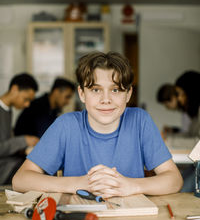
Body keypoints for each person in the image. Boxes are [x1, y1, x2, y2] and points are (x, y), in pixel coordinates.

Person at [12, 52, 183, 196]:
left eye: (115, 90)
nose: (106, 100)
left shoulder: (140, 121)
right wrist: (79, 183)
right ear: (82, 93)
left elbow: (174, 179)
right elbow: (20, 180)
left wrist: (131, 186)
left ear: (128, 94)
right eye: (95, 90)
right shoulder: (66, 125)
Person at [0, 73, 39, 185]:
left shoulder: (7, 110)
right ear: (14, 89)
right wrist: (24, 140)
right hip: (4, 170)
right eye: (25, 99)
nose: (27, 104)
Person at [157, 70, 200, 149]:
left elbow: (197, 143)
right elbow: (189, 135)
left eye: (180, 93)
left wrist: (169, 141)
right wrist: (167, 137)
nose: (179, 98)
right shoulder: (193, 112)